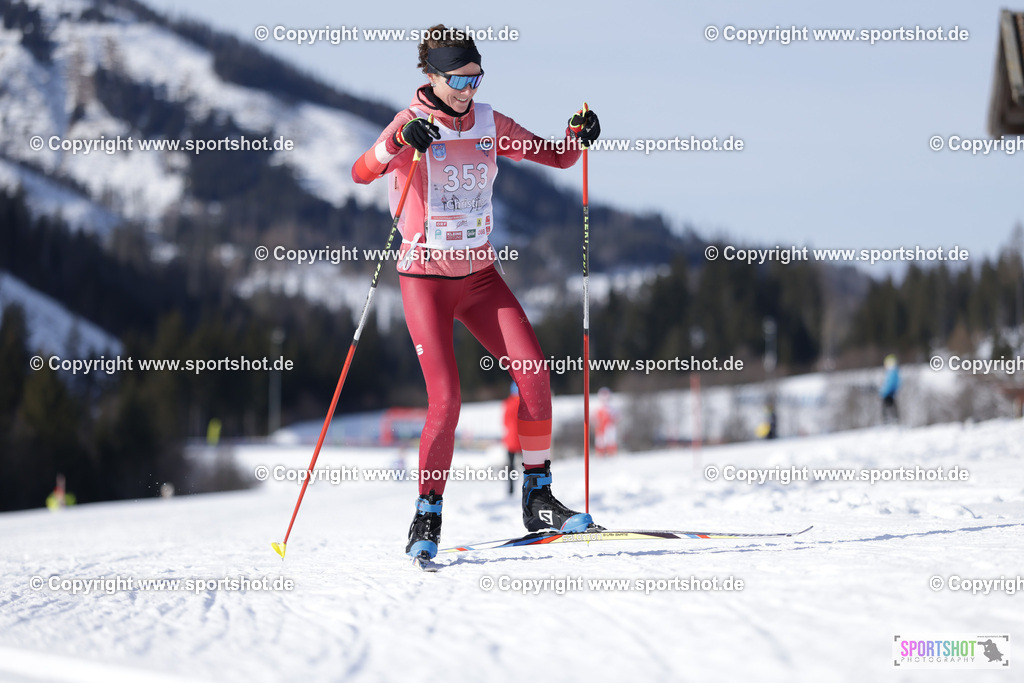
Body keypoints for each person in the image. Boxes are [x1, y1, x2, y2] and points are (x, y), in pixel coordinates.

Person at [350, 25, 602, 561]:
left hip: (480, 277)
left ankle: (538, 497)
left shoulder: (490, 123)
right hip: (425, 281)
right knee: (447, 400)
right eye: (459, 80)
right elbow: (361, 171)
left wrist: (576, 136)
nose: (468, 90)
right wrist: (398, 141)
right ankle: (427, 513)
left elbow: (557, 157)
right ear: (433, 76)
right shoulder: (410, 121)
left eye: (476, 78)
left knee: (534, 372)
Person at [502, 382, 521, 496]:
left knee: (511, 466)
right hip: (524, 440)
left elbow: (504, 421)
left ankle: (510, 489)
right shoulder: (524, 403)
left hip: (511, 440)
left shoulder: (508, 403)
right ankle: (531, 487)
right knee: (530, 466)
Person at [594, 387, 619, 456]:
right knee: (600, 442)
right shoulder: (598, 408)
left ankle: (611, 453)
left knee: (610, 441)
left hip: (609, 429)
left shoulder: (612, 408)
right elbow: (595, 419)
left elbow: (616, 418)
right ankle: (601, 454)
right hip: (600, 429)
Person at [880, 354, 900, 424]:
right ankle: (893, 420)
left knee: (887, 408)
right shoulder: (893, 372)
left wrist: (884, 392)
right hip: (890, 393)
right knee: (891, 408)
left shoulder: (892, 373)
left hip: (888, 394)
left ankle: (889, 421)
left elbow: (889, 384)